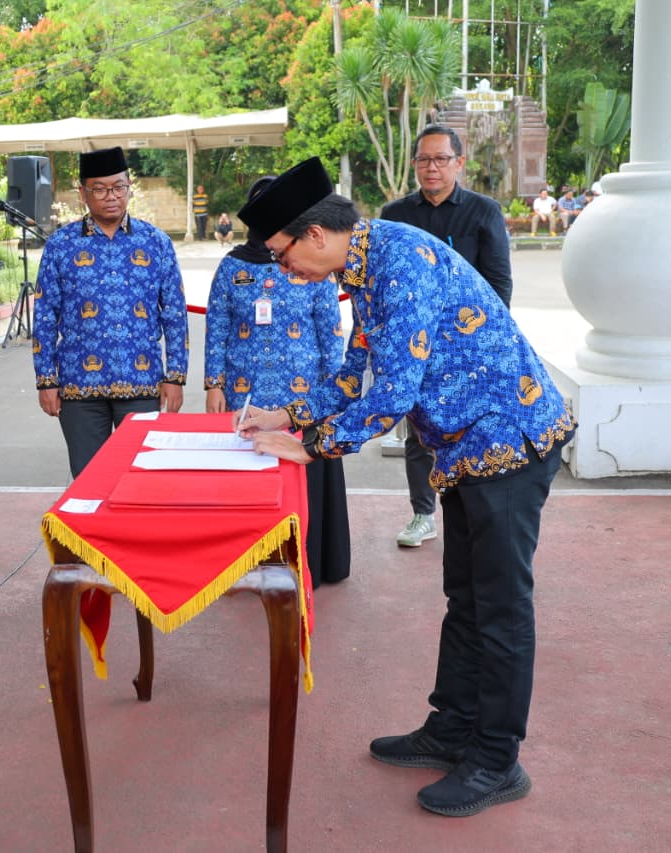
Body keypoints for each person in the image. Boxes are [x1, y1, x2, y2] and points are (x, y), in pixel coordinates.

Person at [235, 157, 576, 818]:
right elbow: (355, 366)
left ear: (313, 236)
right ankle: (452, 727)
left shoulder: (397, 262)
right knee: (466, 596)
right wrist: (293, 415)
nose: (283, 272)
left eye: (280, 256)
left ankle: (497, 758)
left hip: (507, 438)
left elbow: (393, 393)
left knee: (500, 607)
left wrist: (311, 447)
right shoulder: (361, 267)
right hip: (465, 446)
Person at [204, 178, 350, 588]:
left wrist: (333, 387)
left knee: (306, 478)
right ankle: (247, 566)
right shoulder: (233, 266)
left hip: (307, 392)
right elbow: (216, 327)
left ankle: (312, 562)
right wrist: (213, 384)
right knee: (248, 480)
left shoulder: (313, 265)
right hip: (246, 390)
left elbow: (330, 330)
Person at [380, 124, 513, 548]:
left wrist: (484, 343)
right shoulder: (395, 216)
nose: (431, 168)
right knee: (419, 431)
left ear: (459, 163)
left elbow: (498, 284)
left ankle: (471, 508)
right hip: (416, 344)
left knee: (470, 427)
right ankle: (423, 513)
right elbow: (385, 281)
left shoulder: (483, 211)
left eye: (440, 159)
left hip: (467, 345)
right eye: (423, 159)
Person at [33, 146, 188, 476]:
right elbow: (45, 315)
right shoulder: (61, 245)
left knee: (143, 478)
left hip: (142, 383)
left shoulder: (156, 242)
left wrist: (176, 377)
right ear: (83, 193)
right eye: (100, 189)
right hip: (79, 387)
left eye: (118, 187)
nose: (111, 197)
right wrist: (45, 380)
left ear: (129, 187)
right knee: (89, 479)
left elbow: (174, 313)